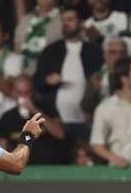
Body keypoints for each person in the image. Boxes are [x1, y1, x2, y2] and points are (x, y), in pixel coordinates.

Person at [33, 8, 103, 142]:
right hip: (57, 122)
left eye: (70, 20)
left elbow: (100, 83)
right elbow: (36, 82)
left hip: (88, 121)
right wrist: (47, 81)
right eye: (63, 20)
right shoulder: (51, 51)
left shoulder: (94, 51)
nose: (66, 24)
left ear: (80, 23)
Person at [0, 75, 68, 164]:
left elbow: (60, 134)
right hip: (22, 169)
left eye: (27, 93)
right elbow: (2, 151)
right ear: (14, 93)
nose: (23, 96)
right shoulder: (7, 118)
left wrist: (35, 110)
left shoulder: (46, 109)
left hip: (49, 167)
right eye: (19, 93)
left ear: (32, 92)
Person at [13, 0, 62, 74]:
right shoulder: (25, 20)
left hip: (51, 77)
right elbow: (17, 49)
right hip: (25, 76)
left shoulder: (64, 19)